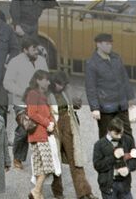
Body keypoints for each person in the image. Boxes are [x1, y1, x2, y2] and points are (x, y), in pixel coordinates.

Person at [48, 71, 94, 199]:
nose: (61, 86)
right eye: (59, 84)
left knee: (75, 158)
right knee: (55, 160)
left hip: (68, 123)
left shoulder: (66, 90)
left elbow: (74, 105)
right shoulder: (47, 94)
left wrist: (77, 102)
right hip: (54, 126)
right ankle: (58, 192)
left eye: (63, 84)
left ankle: (84, 192)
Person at [2, 36, 45, 170]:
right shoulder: (15, 62)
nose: (36, 51)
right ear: (25, 50)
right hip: (21, 102)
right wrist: (23, 92)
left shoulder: (42, 61)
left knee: (41, 127)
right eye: (33, 49)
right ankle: (18, 157)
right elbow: (7, 83)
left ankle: (41, 158)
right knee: (24, 129)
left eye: (37, 48)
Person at [85, 34, 135, 140]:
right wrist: (94, 108)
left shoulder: (116, 58)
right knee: (106, 136)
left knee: (127, 133)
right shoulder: (92, 63)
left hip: (121, 103)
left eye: (110, 44)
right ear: (98, 44)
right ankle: (106, 156)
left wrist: (130, 97)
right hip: (105, 105)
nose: (110, 46)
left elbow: (124, 78)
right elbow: (91, 87)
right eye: (106, 44)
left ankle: (130, 156)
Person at [25, 70, 61, 199]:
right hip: (39, 134)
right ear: (39, 80)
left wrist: (51, 122)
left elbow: (47, 112)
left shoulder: (41, 95)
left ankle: (38, 193)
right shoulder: (33, 94)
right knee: (48, 166)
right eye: (46, 79)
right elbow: (32, 113)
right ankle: (36, 191)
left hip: (43, 134)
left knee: (41, 166)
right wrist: (47, 123)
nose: (49, 82)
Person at [92, 115, 136, 199]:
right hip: (108, 186)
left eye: (121, 133)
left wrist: (128, 168)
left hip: (124, 185)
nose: (119, 136)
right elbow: (98, 165)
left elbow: (135, 159)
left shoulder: (128, 140)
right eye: (116, 134)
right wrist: (113, 157)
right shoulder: (99, 145)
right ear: (109, 131)